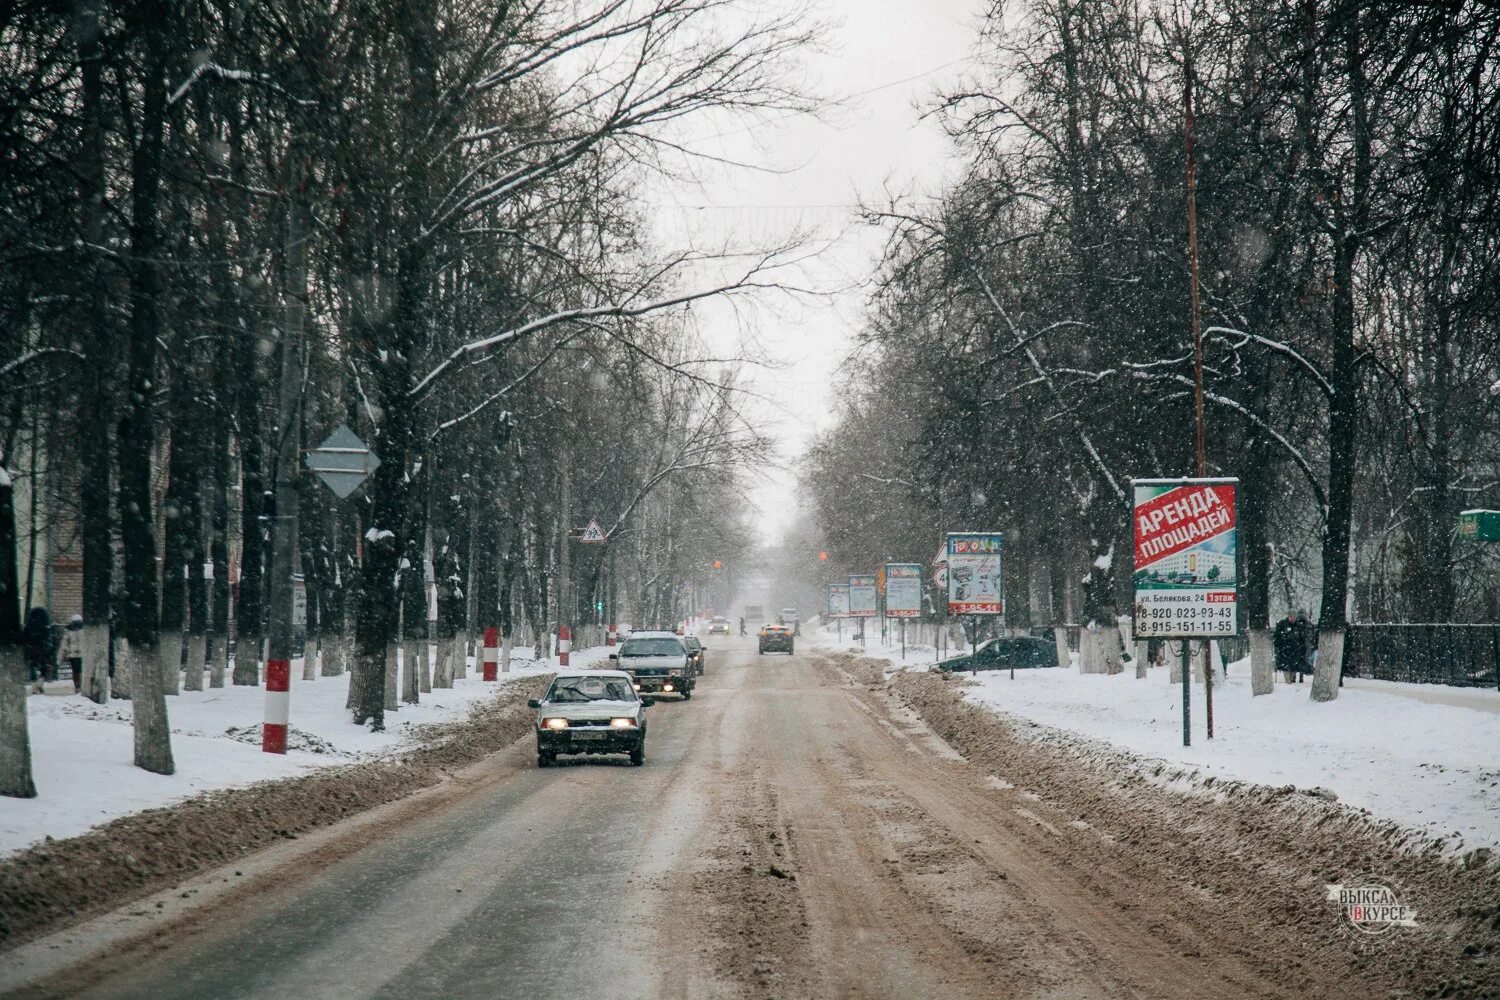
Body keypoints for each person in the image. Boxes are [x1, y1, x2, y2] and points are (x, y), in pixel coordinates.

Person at [22, 606, 55, 694]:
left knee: (33, 665)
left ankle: (34, 686)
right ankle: (40, 684)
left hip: (31, 648)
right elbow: (49, 638)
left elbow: (24, 637)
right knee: (43, 665)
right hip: (42, 648)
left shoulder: (29, 625)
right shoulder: (45, 625)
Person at [1273, 610, 1310, 684]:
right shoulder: (1282, 624)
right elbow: (1276, 637)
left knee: (1293, 668)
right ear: (1288, 616)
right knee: (1285, 667)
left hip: (1295, 651)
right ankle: (1288, 682)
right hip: (1284, 650)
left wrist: (1302, 649)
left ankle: (1291, 681)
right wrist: (1278, 646)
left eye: (1294, 617)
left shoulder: (1299, 625)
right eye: (1291, 617)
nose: (1292, 618)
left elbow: (1302, 639)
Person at [58, 614, 86, 693]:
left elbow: (64, 645)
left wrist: (60, 657)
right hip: (82, 654)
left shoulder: (69, 630)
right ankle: (81, 686)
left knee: (75, 671)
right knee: (81, 671)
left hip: (72, 655)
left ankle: (77, 686)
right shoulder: (85, 629)